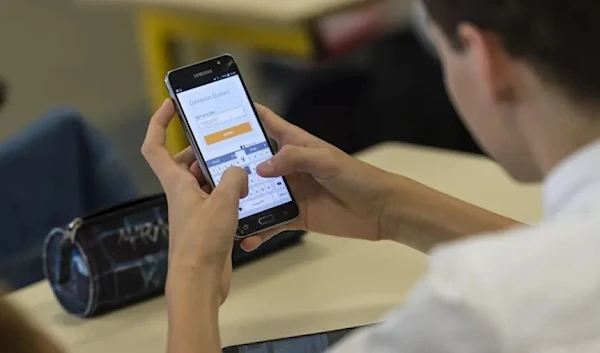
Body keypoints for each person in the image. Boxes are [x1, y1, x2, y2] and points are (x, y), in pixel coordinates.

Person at [141, 0, 600, 351]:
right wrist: (387, 209)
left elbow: (532, 282)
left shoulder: (479, 307)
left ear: (486, 61)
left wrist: (192, 275)